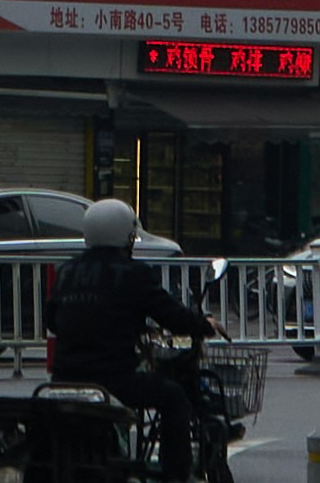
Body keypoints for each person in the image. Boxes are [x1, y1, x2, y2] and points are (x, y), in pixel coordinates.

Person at [46, 199, 219, 483]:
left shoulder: (67, 271)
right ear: (127, 237)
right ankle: (176, 476)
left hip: (63, 379)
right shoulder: (134, 273)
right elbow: (172, 316)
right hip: (113, 380)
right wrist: (204, 325)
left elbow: (52, 321)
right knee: (175, 398)